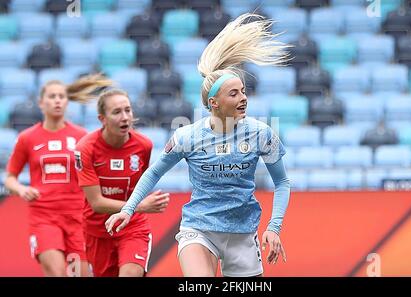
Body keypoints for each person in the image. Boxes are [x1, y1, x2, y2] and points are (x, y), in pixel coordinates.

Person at [105, 13, 291, 277]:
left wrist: (274, 227)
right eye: (234, 93)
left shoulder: (262, 134)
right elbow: (155, 171)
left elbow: (282, 182)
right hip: (199, 229)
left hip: (243, 233)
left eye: (244, 92)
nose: (243, 99)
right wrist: (128, 208)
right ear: (213, 103)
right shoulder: (187, 137)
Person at [5, 74, 113, 276]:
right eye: (52, 96)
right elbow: (10, 177)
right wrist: (21, 189)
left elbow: (96, 172)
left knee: (81, 274)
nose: (57, 100)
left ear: (67, 102)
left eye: (61, 96)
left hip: (78, 216)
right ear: (41, 103)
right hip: (44, 217)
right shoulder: (27, 138)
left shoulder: (81, 136)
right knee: (56, 272)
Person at [74, 88, 170, 277]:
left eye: (128, 110)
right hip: (98, 231)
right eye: (117, 112)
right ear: (102, 119)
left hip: (133, 227)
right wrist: (140, 205)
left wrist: (137, 208)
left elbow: (141, 185)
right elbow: (97, 203)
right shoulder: (85, 148)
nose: (125, 117)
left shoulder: (144, 145)